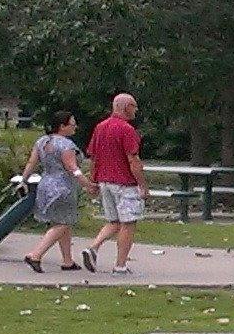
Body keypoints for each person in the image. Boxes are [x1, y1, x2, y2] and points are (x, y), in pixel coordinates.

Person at [22, 110, 94, 275]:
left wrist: (23, 180)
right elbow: (72, 168)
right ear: (62, 126)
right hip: (63, 188)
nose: (75, 127)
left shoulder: (42, 141)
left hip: (46, 184)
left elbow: (32, 162)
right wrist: (87, 184)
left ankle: (67, 261)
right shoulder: (67, 145)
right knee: (63, 223)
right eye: (72, 124)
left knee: (62, 222)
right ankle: (35, 255)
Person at [89, 91, 146, 274]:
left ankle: (94, 247)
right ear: (126, 107)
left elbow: (94, 157)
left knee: (113, 221)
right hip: (124, 184)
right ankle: (120, 265)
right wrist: (142, 185)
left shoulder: (100, 127)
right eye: (134, 106)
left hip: (105, 181)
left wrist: (93, 180)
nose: (136, 110)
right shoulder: (127, 129)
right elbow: (133, 160)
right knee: (128, 223)